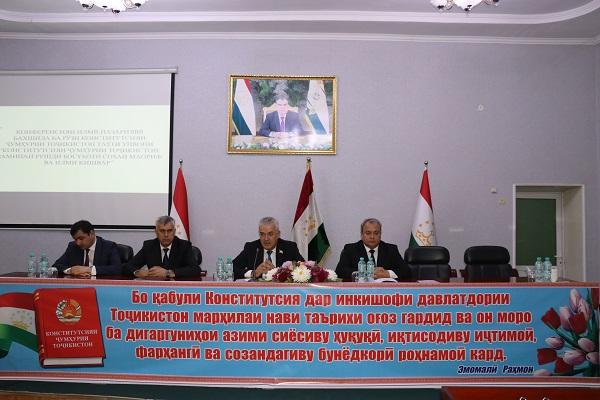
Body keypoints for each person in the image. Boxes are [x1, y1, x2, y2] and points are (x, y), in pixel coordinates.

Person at [124, 215, 201, 279]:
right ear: (156, 232)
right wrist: (138, 272)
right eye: (162, 231)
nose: (166, 235)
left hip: (177, 289)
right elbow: (127, 267)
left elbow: (195, 270)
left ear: (174, 232)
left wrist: (168, 273)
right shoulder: (149, 246)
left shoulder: (184, 246)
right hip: (155, 289)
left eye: (169, 231)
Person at [335, 218, 410, 281]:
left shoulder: (391, 249)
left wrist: (387, 273)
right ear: (362, 235)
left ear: (380, 234)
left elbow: (407, 271)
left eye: (376, 233)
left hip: (384, 291)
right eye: (368, 233)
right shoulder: (350, 249)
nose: (372, 237)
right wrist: (366, 273)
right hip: (360, 291)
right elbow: (339, 271)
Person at [233, 217, 304, 280]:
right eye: (262, 234)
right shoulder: (251, 248)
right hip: (257, 290)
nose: (266, 239)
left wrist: (277, 272)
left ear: (278, 234)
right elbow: (232, 268)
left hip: (282, 290)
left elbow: (304, 269)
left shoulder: (289, 248)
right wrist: (253, 273)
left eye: (270, 234)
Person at [52, 220, 122, 277]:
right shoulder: (73, 246)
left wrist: (88, 270)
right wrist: (71, 270)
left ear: (91, 233)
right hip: (79, 285)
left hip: (100, 286)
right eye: (75, 239)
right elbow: (56, 266)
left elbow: (117, 269)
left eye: (81, 238)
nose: (78, 243)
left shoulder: (108, 246)